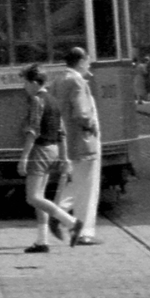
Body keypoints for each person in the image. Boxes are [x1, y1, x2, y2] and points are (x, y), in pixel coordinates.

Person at [16, 65, 79, 253]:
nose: (24, 87)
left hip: (40, 151)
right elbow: (62, 132)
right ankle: (42, 241)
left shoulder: (37, 100)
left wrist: (24, 157)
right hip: (52, 150)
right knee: (40, 198)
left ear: (35, 83)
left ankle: (72, 223)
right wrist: (64, 157)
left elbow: (33, 130)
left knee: (33, 197)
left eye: (26, 83)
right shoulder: (53, 101)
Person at [49, 47, 102, 245]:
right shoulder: (77, 81)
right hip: (83, 141)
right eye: (88, 61)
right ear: (80, 62)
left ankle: (60, 214)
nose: (89, 65)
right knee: (87, 187)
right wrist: (91, 125)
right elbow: (82, 113)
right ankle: (83, 231)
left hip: (66, 141)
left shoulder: (59, 80)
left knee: (75, 182)